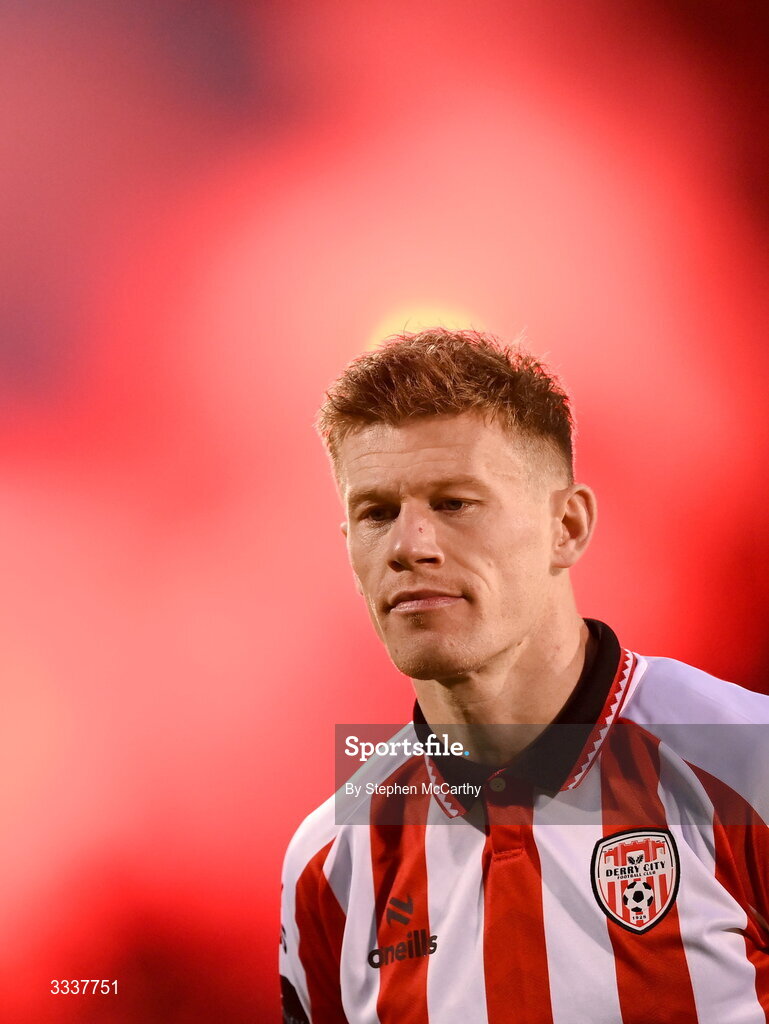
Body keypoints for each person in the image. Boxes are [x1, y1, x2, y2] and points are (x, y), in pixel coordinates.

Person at [279, 328, 769, 1024]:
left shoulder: (748, 763)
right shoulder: (329, 863)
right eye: (376, 513)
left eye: (452, 503)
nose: (407, 546)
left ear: (566, 526)